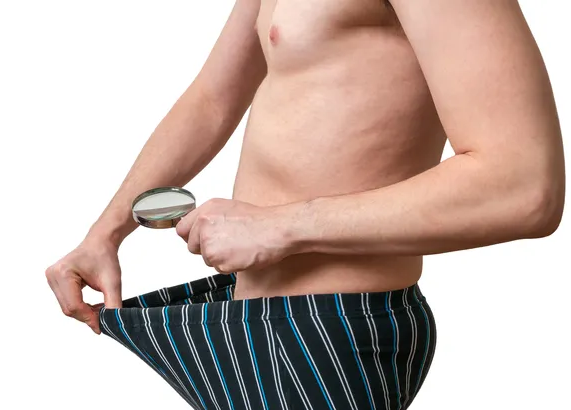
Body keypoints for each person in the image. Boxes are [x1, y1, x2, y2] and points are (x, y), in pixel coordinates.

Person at [46, 0, 565, 408]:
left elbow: (523, 186)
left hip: (327, 330)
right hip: (252, 317)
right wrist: (106, 232)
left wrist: (279, 227)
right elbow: (213, 98)